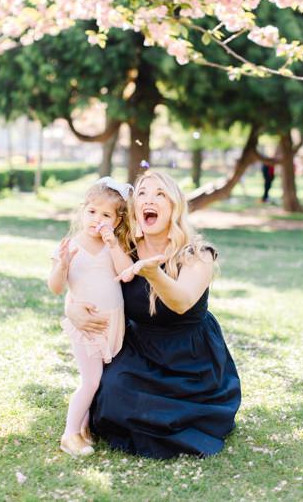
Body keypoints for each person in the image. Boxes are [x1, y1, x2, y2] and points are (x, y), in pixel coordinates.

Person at [68, 170, 241, 459]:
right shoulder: (124, 251)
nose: (150, 199)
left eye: (160, 194)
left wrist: (153, 273)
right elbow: (86, 284)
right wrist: (72, 308)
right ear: (134, 208)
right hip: (140, 350)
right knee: (112, 397)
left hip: (191, 359)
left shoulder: (197, 253)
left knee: (165, 414)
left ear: (174, 206)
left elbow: (182, 302)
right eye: (143, 193)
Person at [47, 177, 136, 458]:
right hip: (87, 325)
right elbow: (56, 287)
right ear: (83, 211)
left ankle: (85, 426)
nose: (97, 219)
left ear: (117, 221)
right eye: (92, 212)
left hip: (113, 323)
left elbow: (128, 273)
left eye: (106, 215)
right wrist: (62, 265)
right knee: (90, 380)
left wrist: (112, 243)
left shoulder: (113, 246)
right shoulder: (71, 246)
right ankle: (69, 433)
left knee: (102, 379)